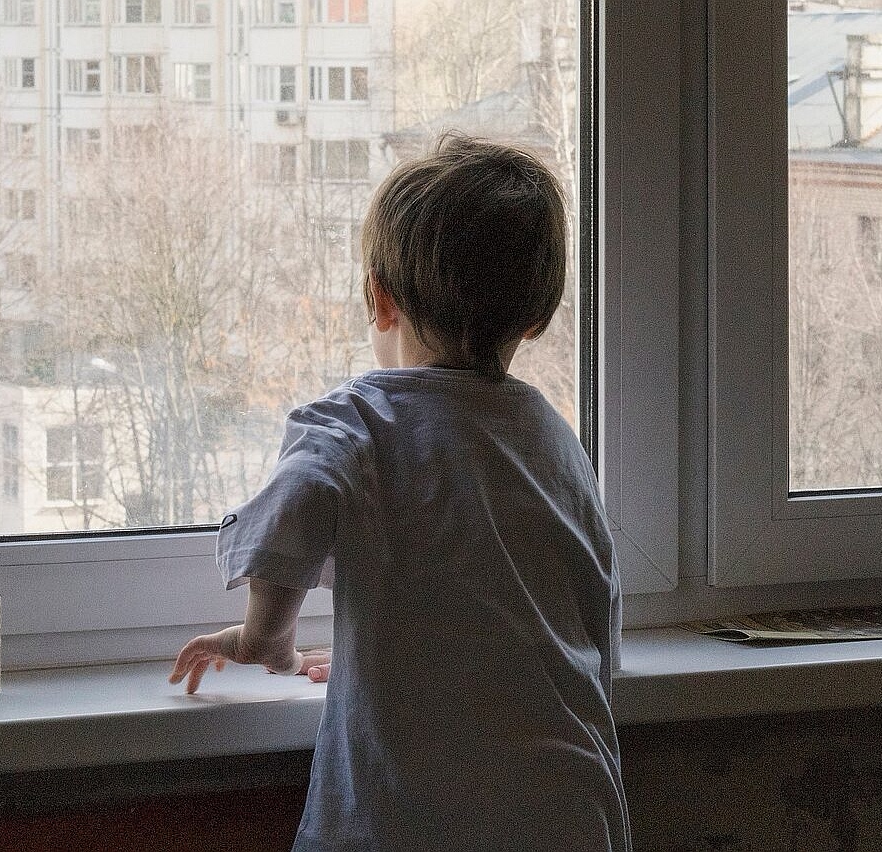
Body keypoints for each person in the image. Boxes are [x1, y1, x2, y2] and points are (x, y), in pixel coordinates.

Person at [170, 133, 629, 851]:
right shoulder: (554, 439)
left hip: (411, 818)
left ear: (379, 298)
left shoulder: (358, 421)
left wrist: (265, 639)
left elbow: (294, 512)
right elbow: (592, 615)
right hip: (570, 810)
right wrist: (381, 660)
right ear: (535, 318)